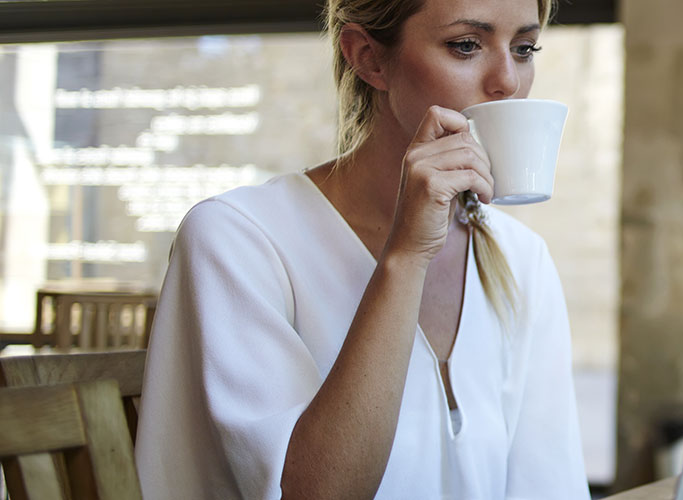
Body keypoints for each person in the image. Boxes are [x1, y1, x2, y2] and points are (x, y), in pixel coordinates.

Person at [134, 0, 590, 497]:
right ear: (369, 58)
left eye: (524, 48)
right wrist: (407, 257)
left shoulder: (524, 260)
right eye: (465, 45)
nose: (508, 81)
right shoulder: (236, 241)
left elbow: (550, 486)